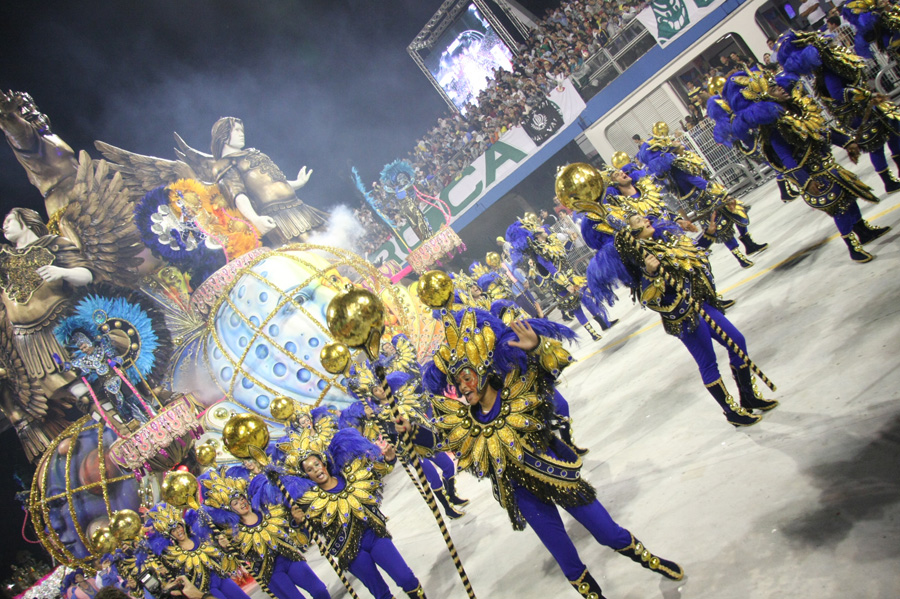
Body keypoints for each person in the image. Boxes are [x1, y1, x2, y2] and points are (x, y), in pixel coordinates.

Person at [402, 307, 683, 598]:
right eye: (457, 383)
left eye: (465, 378)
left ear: (483, 370)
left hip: (559, 477)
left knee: (608, 533)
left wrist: (536, 347)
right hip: (525, 498)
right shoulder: (467, 422)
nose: (461, 387)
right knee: (569, 563)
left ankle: (651, 561)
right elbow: (438, 441)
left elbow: (552, 368)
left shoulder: (519, 388)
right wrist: (409, 431)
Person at [726, 68, 889, 262]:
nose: (780, 88)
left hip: (828, 164)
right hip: (814, 174)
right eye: (774, 88)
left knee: (849, 198)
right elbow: (785, 157)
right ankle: (853, 247)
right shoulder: (773, 127)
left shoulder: (796, 107)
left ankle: (863, 230)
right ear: (763, 97)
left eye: (778, 85)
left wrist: (847, 142)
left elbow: (822, 129)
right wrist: (804, 181)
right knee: (839, 208)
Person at [289, 428, 428, 599]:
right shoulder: (310, 502)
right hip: (350, 552)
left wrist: (390, 459)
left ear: (324, 463)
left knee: (406, 578)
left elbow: (377, 473)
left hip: (375, 536)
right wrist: (299, 522)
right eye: (309, 469)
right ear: (307, 476)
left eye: (316, 464)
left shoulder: (351, 475)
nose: (316, 470)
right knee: (381, 594)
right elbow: (306, 536)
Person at [777, 29, 900, 194]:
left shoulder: (831, 63)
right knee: (876, 145)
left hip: (868, 108)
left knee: (893, 134)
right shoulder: (827, 70)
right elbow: (838, 94)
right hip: (858, 113)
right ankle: (888, 182)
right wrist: (866, 95)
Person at [199, 470, 330, 599]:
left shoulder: (268, 510)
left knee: (320, 590)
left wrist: (296, 520)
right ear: (230, 509)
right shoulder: (233, 533)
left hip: (291, 559)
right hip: (271, 574)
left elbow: (293, 529)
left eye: (241, 498)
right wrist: (226, 548)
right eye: (236, 503)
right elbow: (234, 561)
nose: (241, 503)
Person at [204, 117, 328, 244]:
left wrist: (298, 183)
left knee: (335, 238)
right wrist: (255, 219)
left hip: (299, 207)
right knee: (315, 251)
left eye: (242, 130)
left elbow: (273, 182)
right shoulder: (224, 164)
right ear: (223, 135)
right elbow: (238, 194)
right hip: (278, 218)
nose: (242, 134)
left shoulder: (254, 153)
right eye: (237, 130)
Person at [145, 503, 251, 599]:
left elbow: (220, 556)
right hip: (205, 590)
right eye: (173, 530)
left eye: (178, 527)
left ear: (182, 525)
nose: (178, 531)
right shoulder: (173, 554)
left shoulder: (198, 537)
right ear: (170, 535)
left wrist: (224, 547)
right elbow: (177, 576)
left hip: (222, 578)